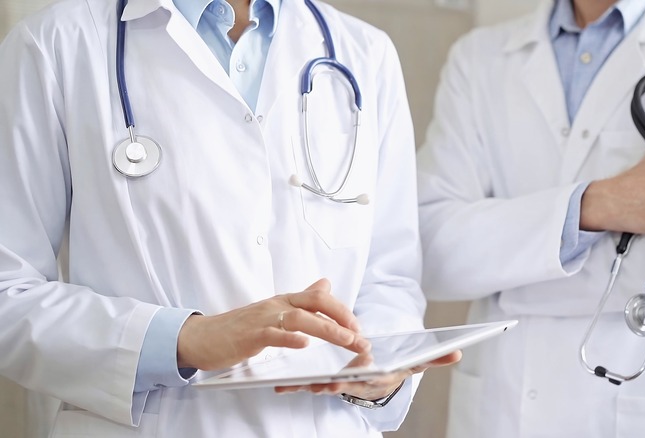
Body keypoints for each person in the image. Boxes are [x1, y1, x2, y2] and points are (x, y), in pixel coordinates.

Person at [0, 0, 459, 436]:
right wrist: (184, 339)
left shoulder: (365, 52)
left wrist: (380, 368)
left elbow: (389, 279)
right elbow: (9, 294)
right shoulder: (56, 44)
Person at [417, 0, 645, 436]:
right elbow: (431, 251)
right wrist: (597, 204)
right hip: (503, 411)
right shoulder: (478, 57)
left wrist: (501, 271)